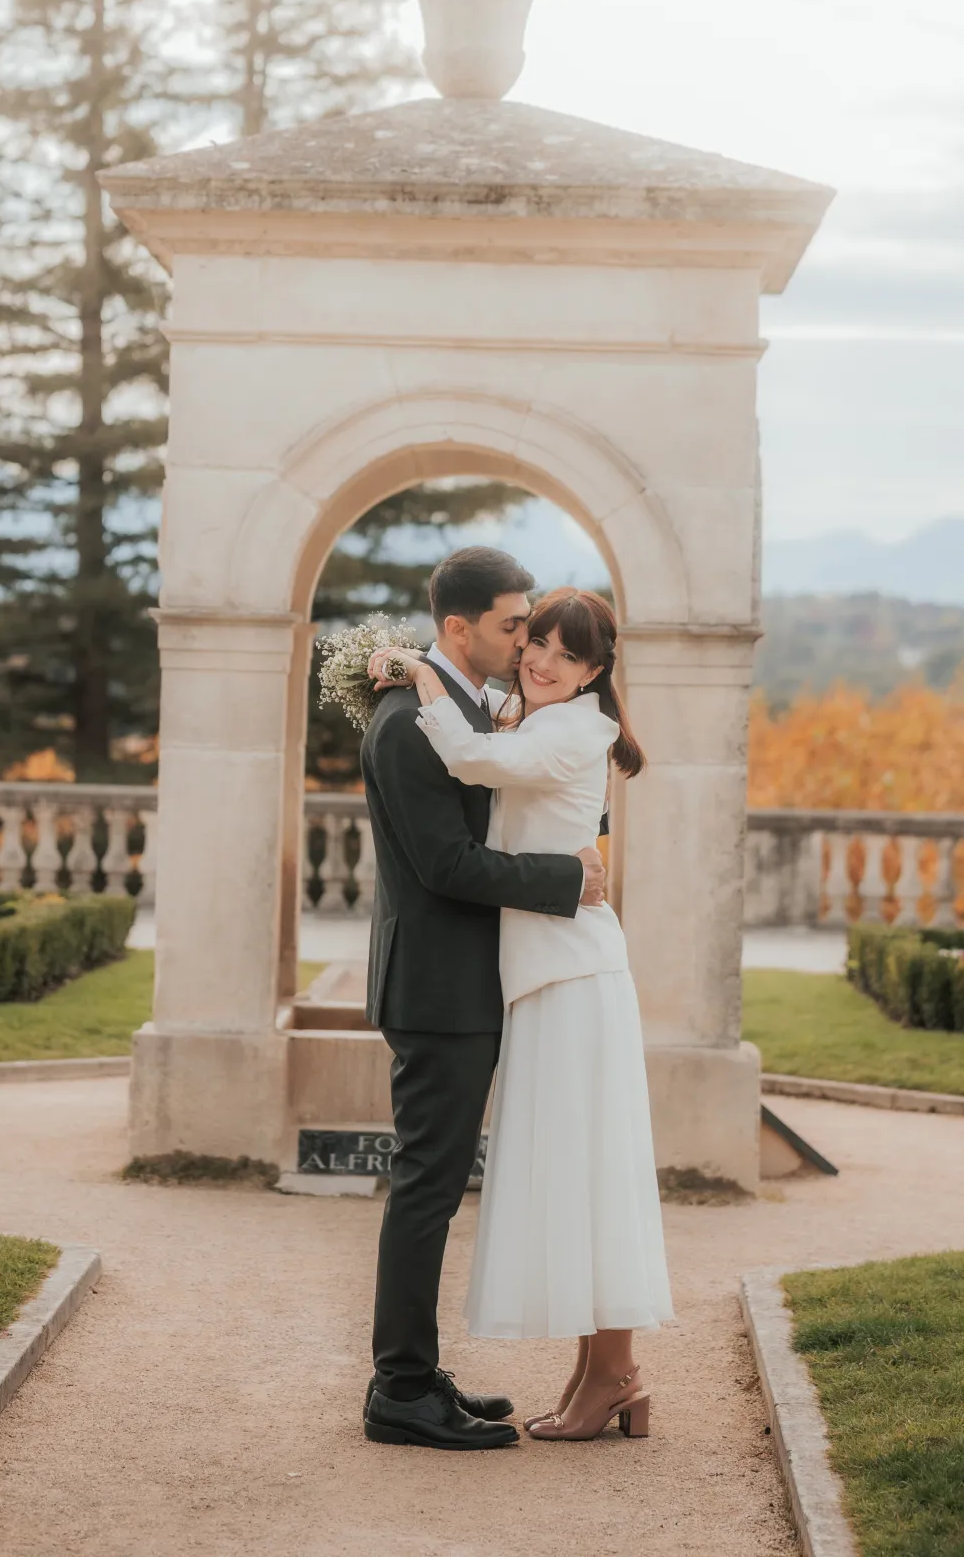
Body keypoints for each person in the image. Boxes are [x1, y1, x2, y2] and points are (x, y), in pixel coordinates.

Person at [370, 586, 673, 1442]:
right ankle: (599, 1371)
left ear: (595, 672)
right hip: (540, 976)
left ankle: (613, 1373)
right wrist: (400, 662)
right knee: (578, 1167)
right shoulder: (533, 714)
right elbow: (487, 721)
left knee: (591, 1170)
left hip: (570, 974)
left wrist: (418, 677)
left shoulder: (573, 728)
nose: (540, 660)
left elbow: (468, 759)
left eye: (565, 655)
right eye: (534, 640)